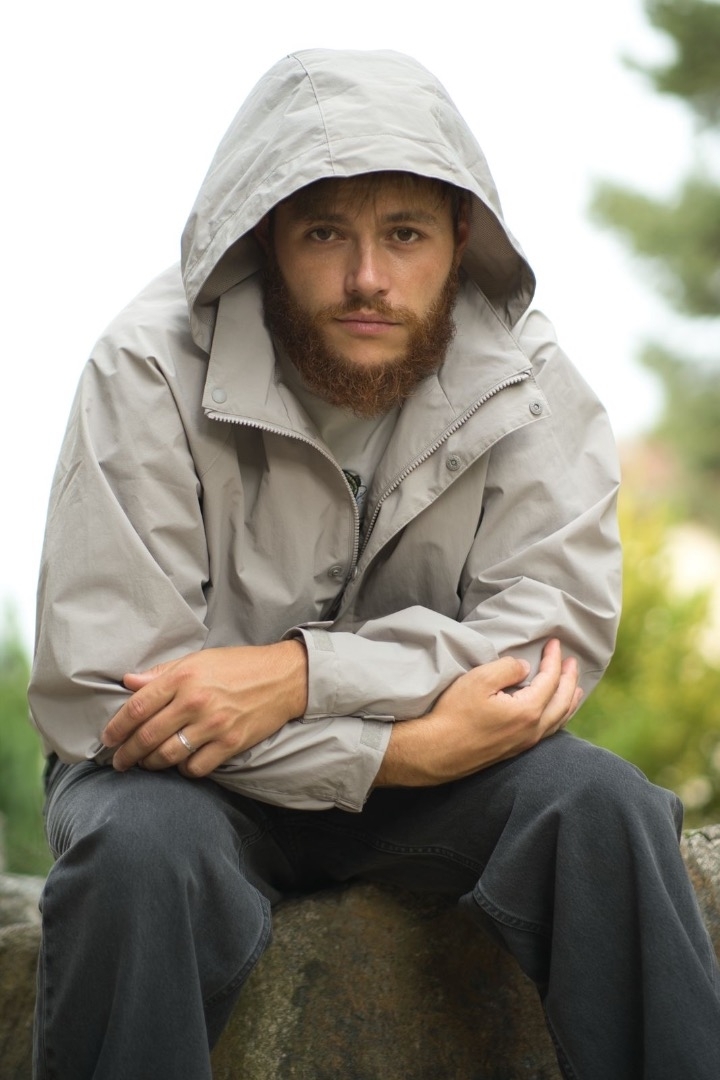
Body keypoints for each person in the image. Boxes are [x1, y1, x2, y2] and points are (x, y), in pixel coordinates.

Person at [28, 48, 720, 1080]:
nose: (368, 278)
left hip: (441, 781)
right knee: (135, 852)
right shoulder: (145, 364)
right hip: (185, 790)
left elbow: (543, 641)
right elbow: (109, 697)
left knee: (601, 805)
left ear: (460, 238)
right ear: (265, 234)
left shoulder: (527, 373)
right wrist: (400, 752)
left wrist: (299, 677)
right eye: (325, 234)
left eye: (404, 234)